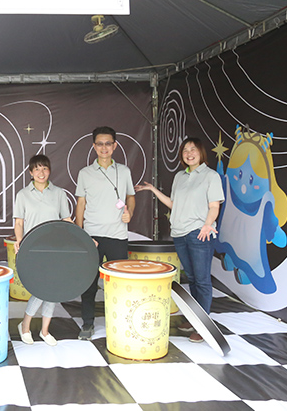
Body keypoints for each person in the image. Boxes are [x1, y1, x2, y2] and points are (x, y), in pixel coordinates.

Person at [135, 137, 224, 343]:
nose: (189, 153)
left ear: (201, 153)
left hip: (199, 233)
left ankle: (203, 326)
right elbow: (174, 204)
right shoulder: (179, 177)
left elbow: (214, 206)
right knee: (191, 278)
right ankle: (194, 318)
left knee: (202, 280)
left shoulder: (210, 176)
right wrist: (153, 190)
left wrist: (207, 224)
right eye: (185, 150)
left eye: (193, 149)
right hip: (179, 233)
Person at [75, 126, 136, 340]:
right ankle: (88, 324)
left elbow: (130, 197)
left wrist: (130, 213)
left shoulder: (124, 171)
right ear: (94, 146)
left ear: (115, 146)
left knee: (119, 283)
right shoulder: (85, 173)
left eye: (108, 143)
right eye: (100, 144)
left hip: (118, 235)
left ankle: (121, 322)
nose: (104, 148)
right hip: (92, 236)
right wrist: (81, 234)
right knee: (89, 283)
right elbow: (80, 204)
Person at [14, 154, 72, 346]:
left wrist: (83, 239)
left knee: (53, 288)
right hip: (33, 248)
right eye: (37, 169)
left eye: (44, 168)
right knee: (40, 289)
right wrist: (20, 241)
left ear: (49, 171)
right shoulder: (23, 195)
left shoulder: (59, 193)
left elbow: (66, 220)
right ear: (31, 173)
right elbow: (19, 222)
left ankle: (44, 331)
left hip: (55, 248)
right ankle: (25, 326)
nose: (41, 172)